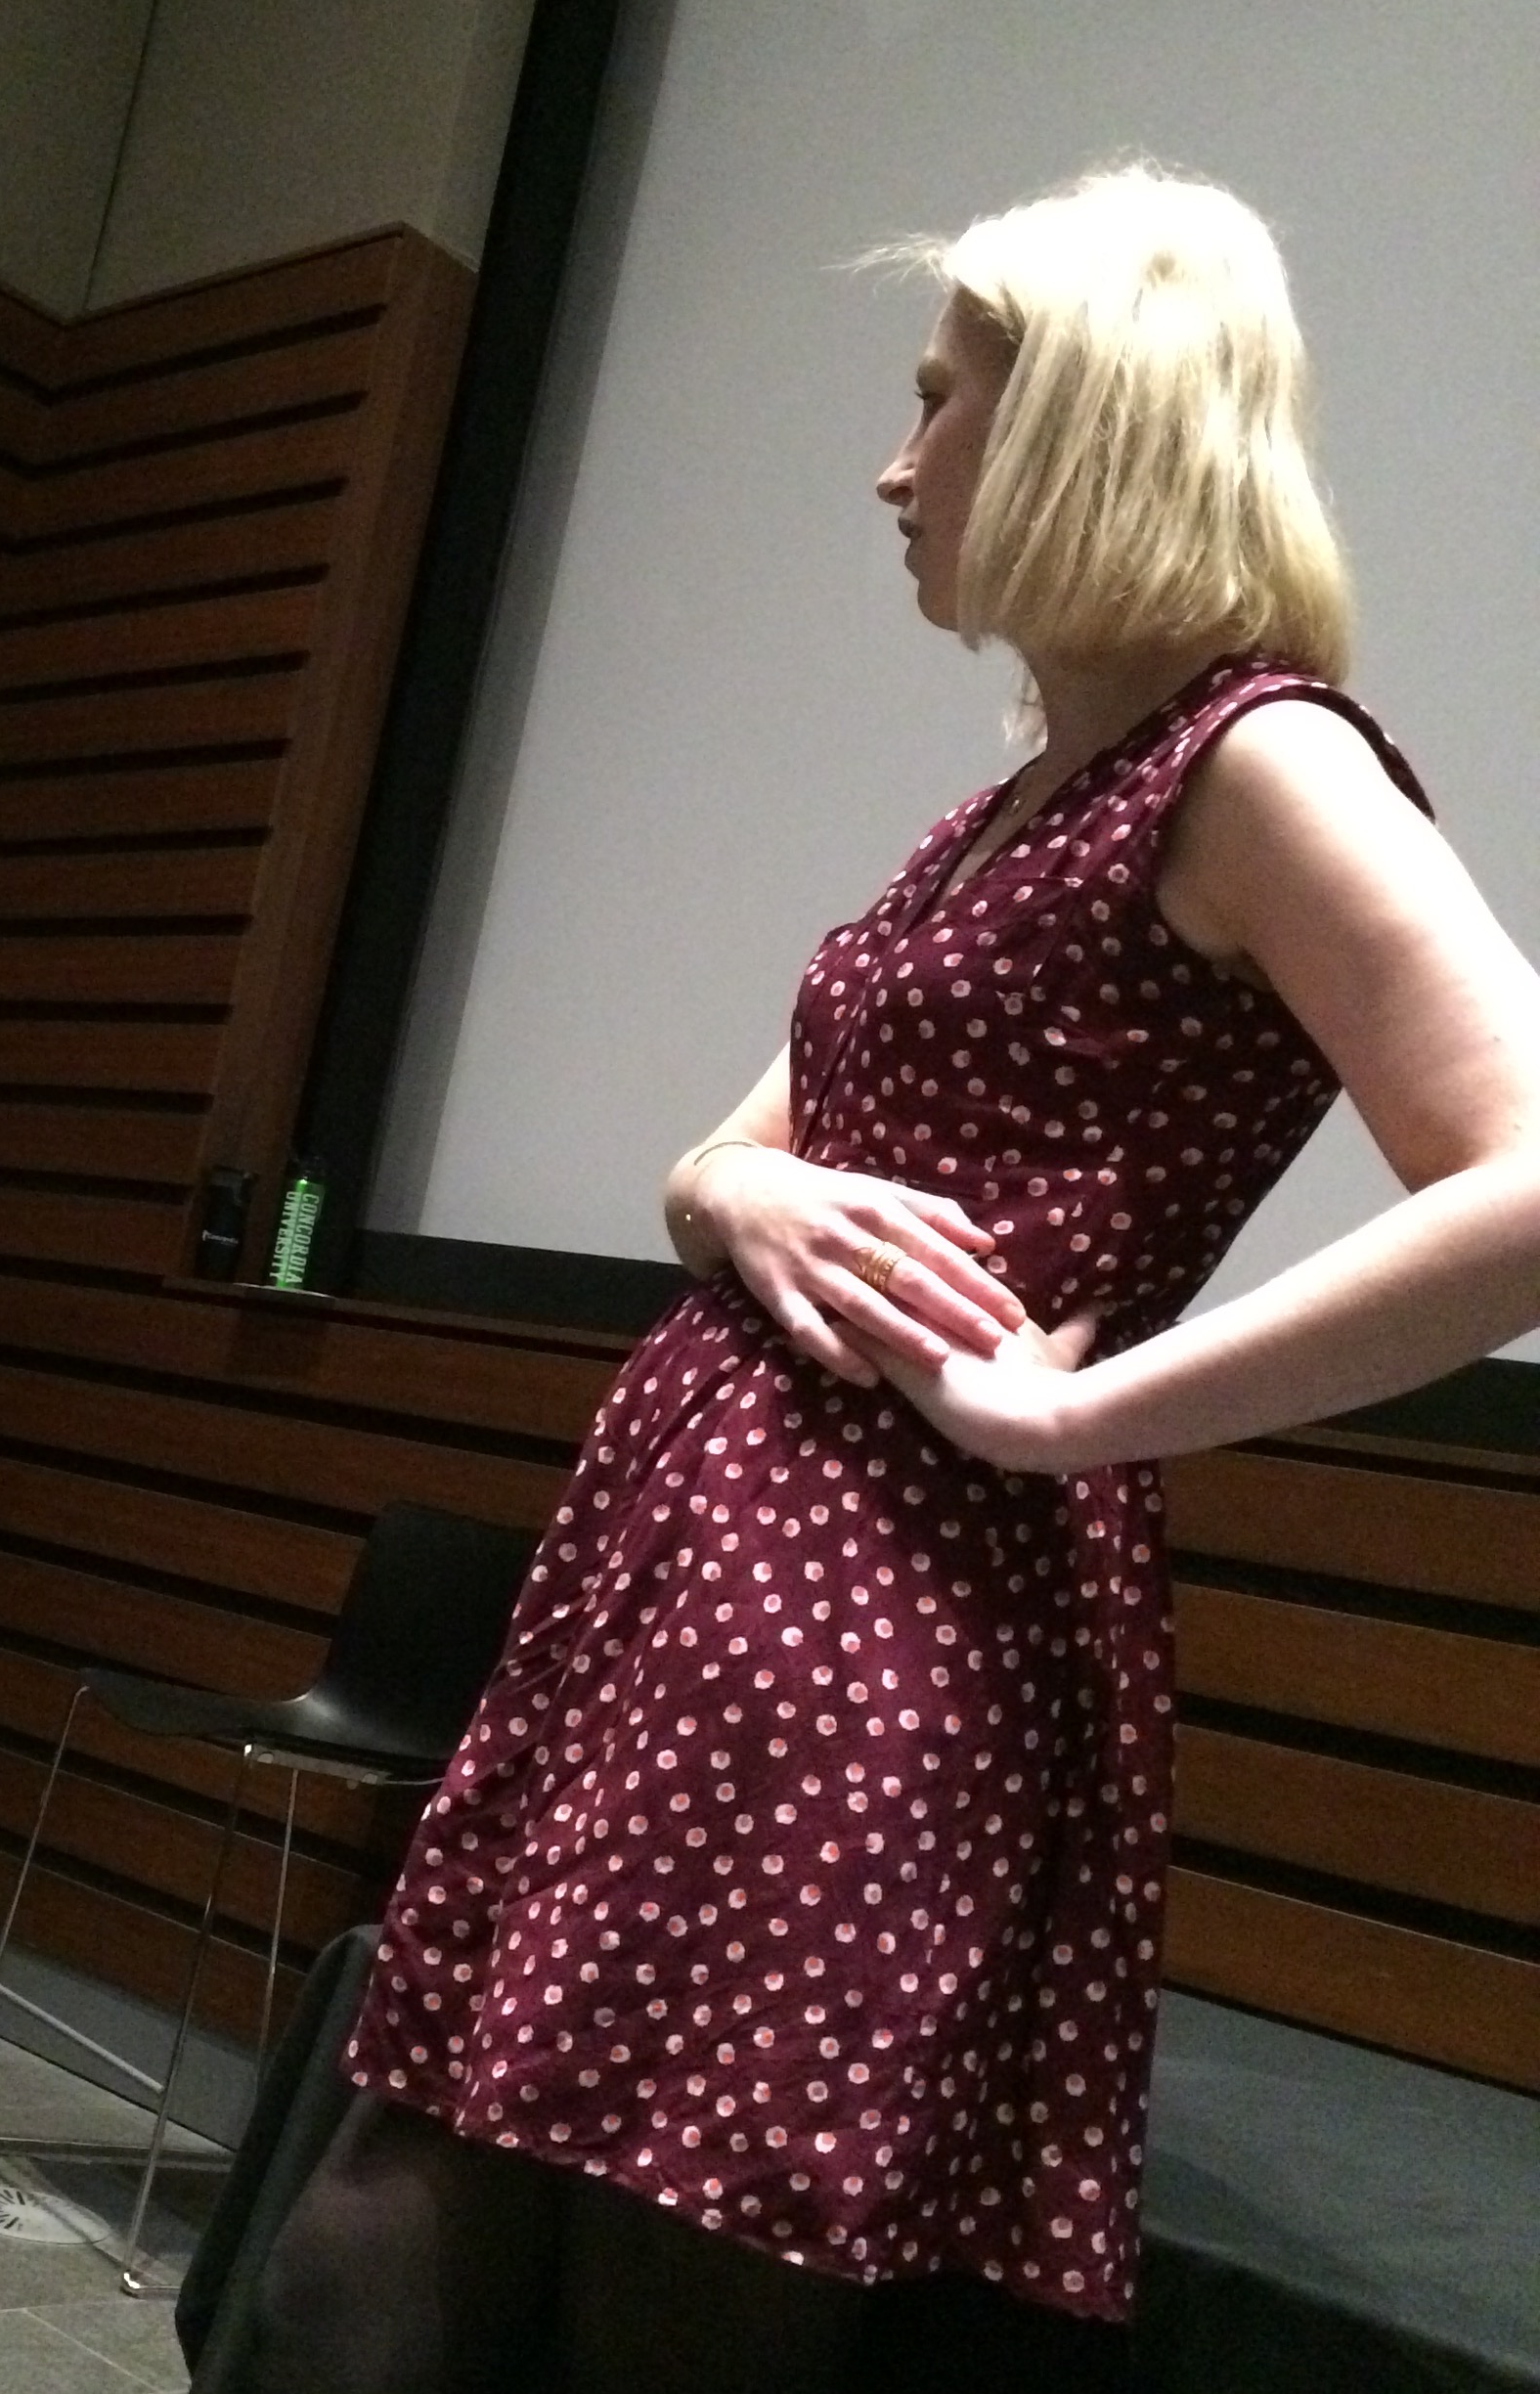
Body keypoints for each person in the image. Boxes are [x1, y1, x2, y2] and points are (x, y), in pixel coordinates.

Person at [239, 165, 1540, 2393]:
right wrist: (727, 1201)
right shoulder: (1011, 803)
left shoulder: (1255, 759)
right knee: (408, 2213)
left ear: (1085, 421)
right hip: (693, 1579)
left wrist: (1077, 1412)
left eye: (938, 400)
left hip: (870, 1619)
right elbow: (737, 1149)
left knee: (661, 2267)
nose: (892, 462)